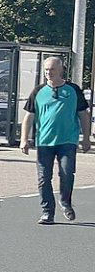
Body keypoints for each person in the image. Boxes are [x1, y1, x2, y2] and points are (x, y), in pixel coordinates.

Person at [21, 55, 91, 224]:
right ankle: (47, 212)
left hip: (67, 141)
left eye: (52, 69)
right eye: (46, 69)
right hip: (44, 142)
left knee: (67, 174)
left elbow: (83, 115)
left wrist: (86, 138)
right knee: (43, 177)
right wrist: (24, 139)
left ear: (60, 70)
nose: (48, 73)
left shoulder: (73, 90)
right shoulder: (38, 91)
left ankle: (65, 201)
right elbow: (29, 117)